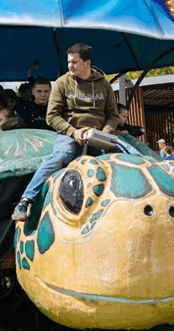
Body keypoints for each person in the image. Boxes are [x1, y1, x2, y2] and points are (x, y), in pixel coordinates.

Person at [12, 43, 128, 222]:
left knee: (126, 157)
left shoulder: (104, 84)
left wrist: (105, 133)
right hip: (69, 134)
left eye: (74, 62)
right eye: (69, 62)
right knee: (61, 157)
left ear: (87, 63)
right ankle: (25, 201)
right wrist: (73, 132)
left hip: (98, 134)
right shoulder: (62, 83)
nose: (70, 66)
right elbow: (52, 116)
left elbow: (112, 115)